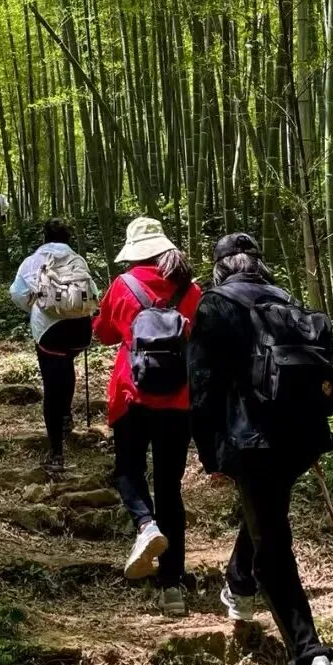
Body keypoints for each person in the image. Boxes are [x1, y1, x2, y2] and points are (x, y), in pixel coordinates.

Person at [188, 232, 333, 665]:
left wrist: (211, 456)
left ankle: (311, 660)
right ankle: (238, 584)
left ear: (220, 268)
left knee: (273, 545)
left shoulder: (216, 305)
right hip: (302, 439)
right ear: (258, 264)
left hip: (252, 442)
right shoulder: (289, 302)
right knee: (266, 514)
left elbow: (202, 387)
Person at [93, 216, 202, 617]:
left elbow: (103, 333)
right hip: (179, 400)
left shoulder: (123, 285)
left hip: (132, 394)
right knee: (170, 489)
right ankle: (172, 587)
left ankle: (145, 525)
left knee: (127, 471)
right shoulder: (191, 289)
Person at [10, 220, 99, 476]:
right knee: (66, 365)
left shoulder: (31, 262)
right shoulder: (77, 260)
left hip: (49, 331)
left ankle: (57, 452)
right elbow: (92, 293)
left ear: (44, 237)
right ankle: (66, 415)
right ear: (68, 238)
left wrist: (35, 308)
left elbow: (17, 293)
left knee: (51, 385)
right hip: (80, 331)